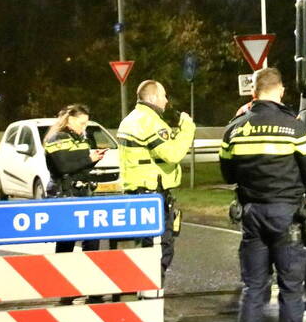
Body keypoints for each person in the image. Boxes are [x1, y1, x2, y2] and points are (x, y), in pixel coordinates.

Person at [219, 67, 306, 322]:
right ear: (279, 91)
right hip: (287, 216)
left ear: (254, 92)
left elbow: (227, 174)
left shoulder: (235, 129)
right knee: (291, 290)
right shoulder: (294, 127)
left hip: (252, 214)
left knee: (253, 288)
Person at [117, 80, 195, 283]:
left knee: (142, 248)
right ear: (152, 98)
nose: (167, 100)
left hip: (135, 191)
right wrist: (187, 129)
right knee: (160, 248)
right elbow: (173, 153)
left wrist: (174, 133)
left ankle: (136, 291)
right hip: (153, 194)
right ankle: (151, 295)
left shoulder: (131, 119)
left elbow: (160, 146)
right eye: (163, 95)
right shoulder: (150, 122)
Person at [43, 103, 106, 256]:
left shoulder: (82, 139)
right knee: (67, 241)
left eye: (86, 124)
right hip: (65, 193)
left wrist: (94, 159)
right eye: (81, 123)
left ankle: (90, 269)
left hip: (82, 193)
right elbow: (63, 167)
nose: (84, 127)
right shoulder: (56, 139)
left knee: (92, 238)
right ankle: (63, 274)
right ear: (70, 119)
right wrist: (89, 159)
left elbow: (81, 167)